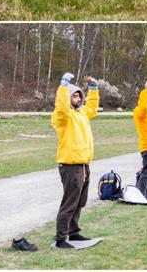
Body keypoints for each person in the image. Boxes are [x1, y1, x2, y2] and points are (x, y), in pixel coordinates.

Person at [51, 72, 99, 249]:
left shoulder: (82, 113)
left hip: (83, 164)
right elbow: (61, 107)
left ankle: (74, 232)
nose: (77, 98)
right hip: (70, 165)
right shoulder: (63, 116)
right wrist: (63, 87)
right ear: (68, 97)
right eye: (74, 95)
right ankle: (61, 238)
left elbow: (92, 107)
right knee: (69, 202)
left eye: (79, 95)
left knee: (80, 201)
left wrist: (93, 89)